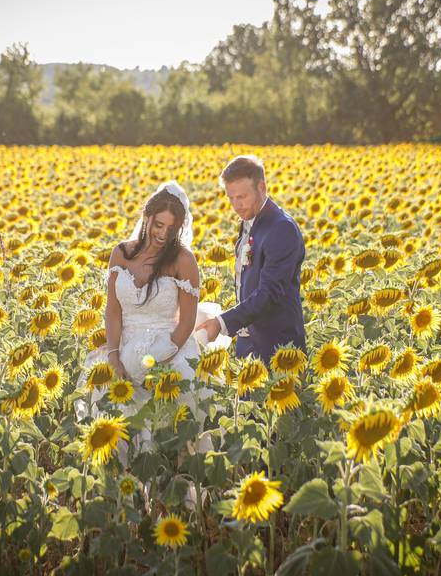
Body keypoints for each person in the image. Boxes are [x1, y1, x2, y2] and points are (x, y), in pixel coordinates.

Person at [77, 180, 223, 457]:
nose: (163, 234)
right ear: (147, 218)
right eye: (159, 225)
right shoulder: (121, 253)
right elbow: (113, 311)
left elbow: (186, 323)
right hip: (123, 344)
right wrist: (113, 355)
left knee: (174, 426)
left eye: (171, 229)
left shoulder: (184, 260)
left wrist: (154, 362)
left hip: (169, 348)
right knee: (113, 423)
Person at [196, 155, 306, 363]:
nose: (236, 205)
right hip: (248, 343)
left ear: (262, 188)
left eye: (242, 197)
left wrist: (222, 322)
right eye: (231, 198)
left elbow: (269, 292)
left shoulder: (281, 228)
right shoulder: (250, 219)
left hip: (278, 348)